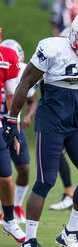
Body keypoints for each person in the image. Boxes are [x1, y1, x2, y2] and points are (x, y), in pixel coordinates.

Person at [2, 11, 78, 247]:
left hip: (75, 123)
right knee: (45, 181)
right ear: (75, 35)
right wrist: (12, 118)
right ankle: (28, 243)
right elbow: (23, 84)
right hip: (50, 122)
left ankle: (70, 233)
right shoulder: (51, 48)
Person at [0, 39, 38, 224]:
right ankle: (5, 213)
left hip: (13, 124)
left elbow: (32, 101)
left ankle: (17, 206)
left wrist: (27, 116)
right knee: (3, 172)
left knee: (23, 167)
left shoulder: (22, 71)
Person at [0, 29, 26, 243]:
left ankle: (9, 220)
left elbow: (11, 97)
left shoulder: (8, 57)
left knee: (6, 178)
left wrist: (13, 128)